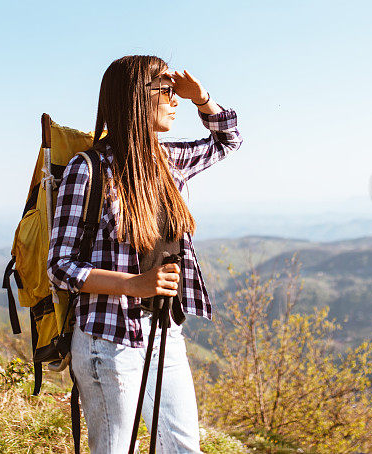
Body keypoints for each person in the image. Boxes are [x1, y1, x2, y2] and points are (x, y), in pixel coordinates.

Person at [47, 54, 242, 453]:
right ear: (138, 98)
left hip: (165, 332)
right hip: (108, 340)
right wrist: (134, 284)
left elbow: (229, 139)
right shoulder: (89, 170)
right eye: (166, 92)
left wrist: (202, 98)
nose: (175, 101)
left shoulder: (168, 161)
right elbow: (60, 266)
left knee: (184, 448)